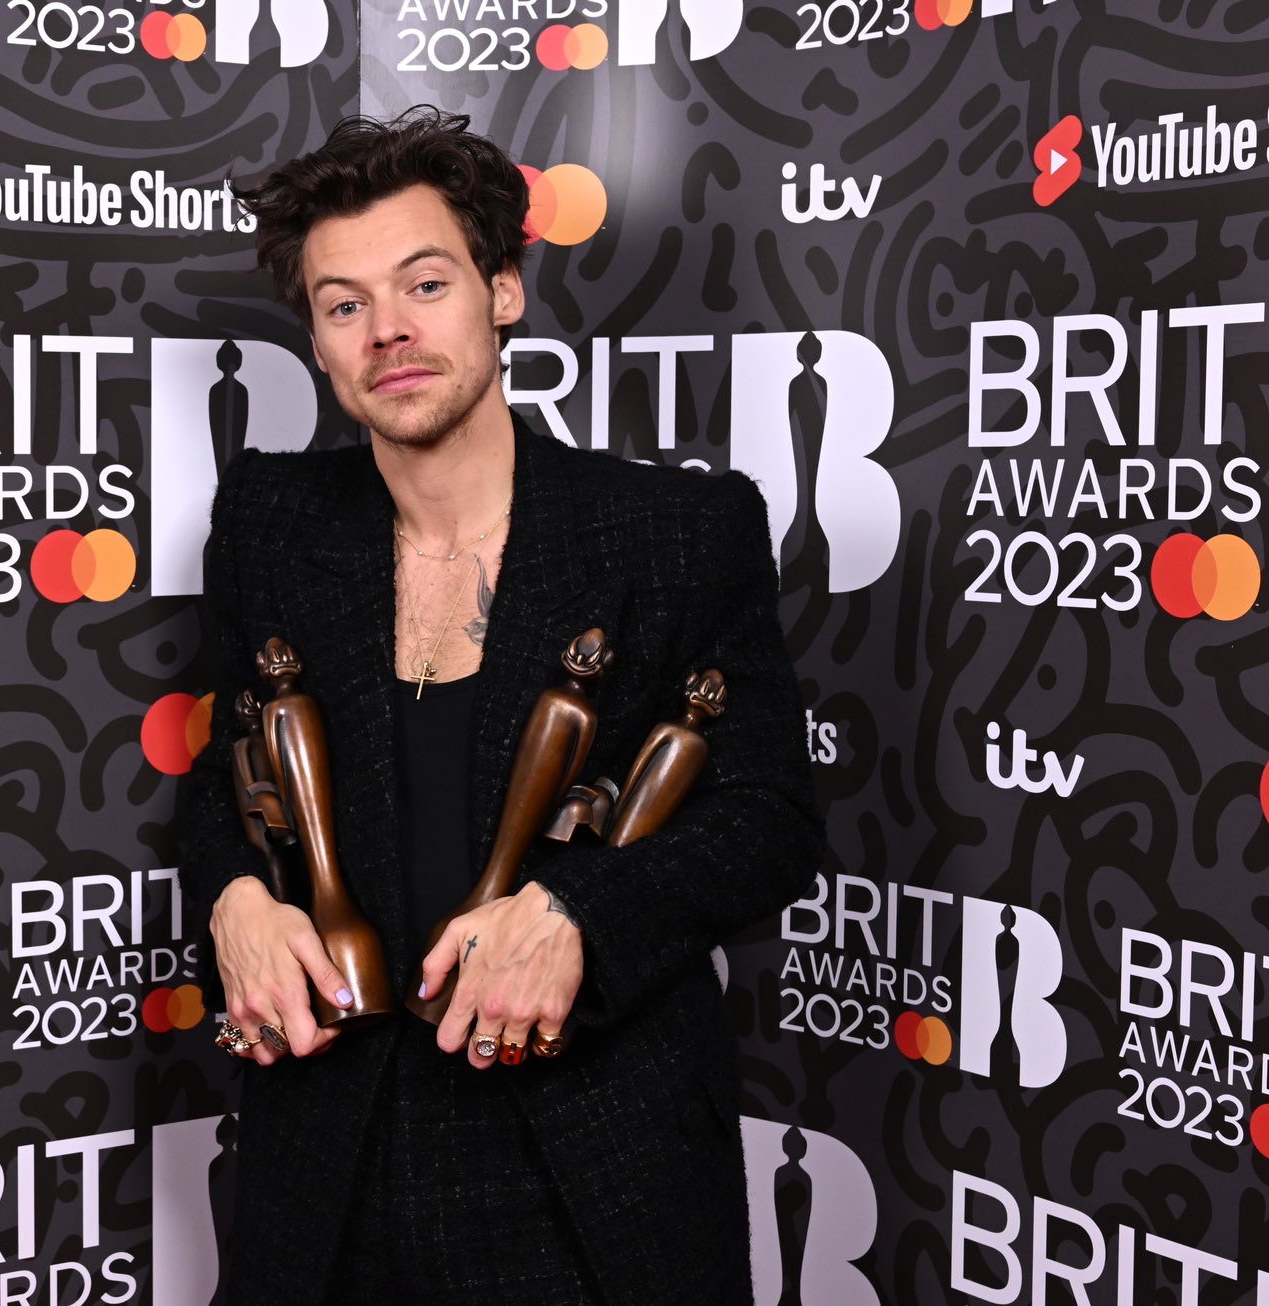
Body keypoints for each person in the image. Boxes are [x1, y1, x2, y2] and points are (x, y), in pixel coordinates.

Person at [176, 105, 824, 1305]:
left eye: (423, 282)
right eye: (343, 303)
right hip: (323, 1168)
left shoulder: (676, 532)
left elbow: (770, 815)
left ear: (502, 292)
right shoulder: (269, 521)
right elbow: (227, 777)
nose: (389, 332)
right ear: (317, 343)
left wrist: (581, 911)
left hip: (594, 1169)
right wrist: (231, 904)